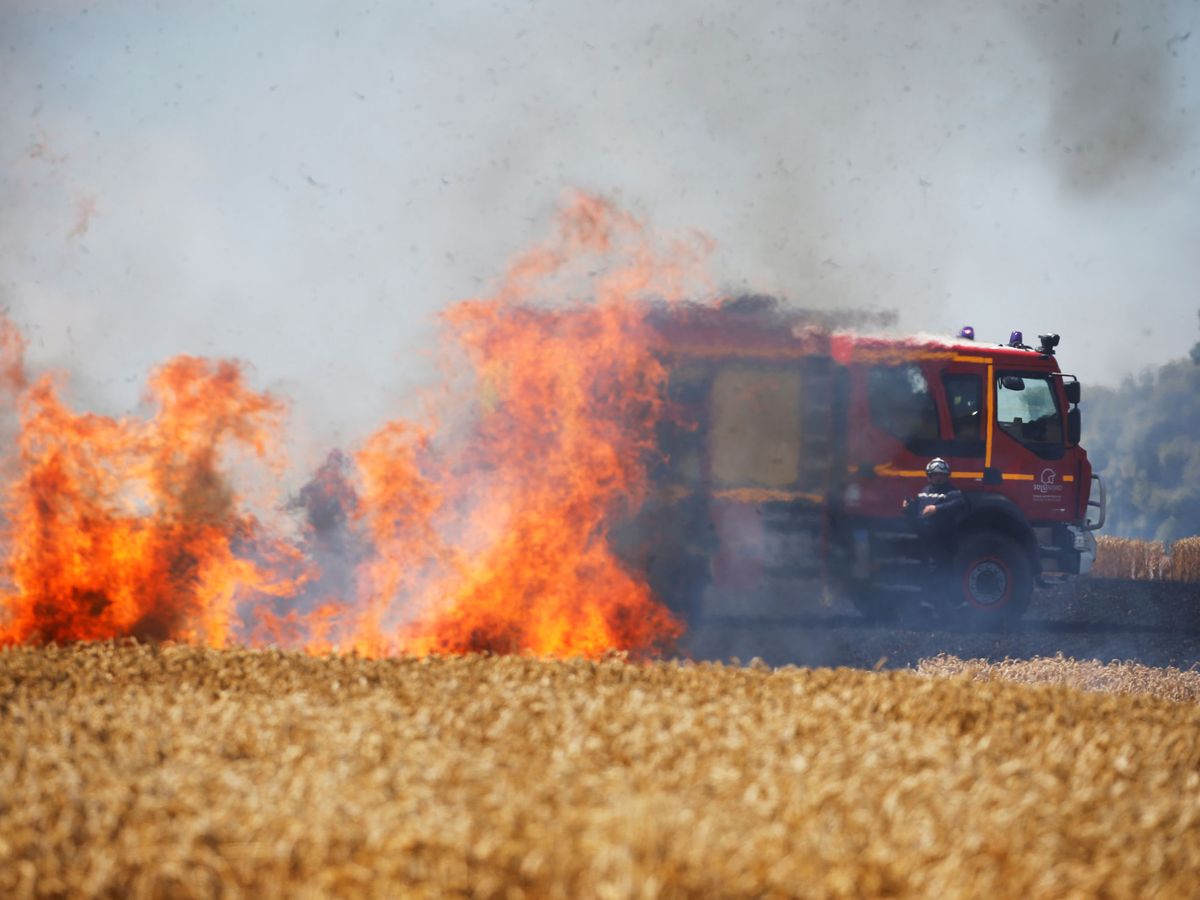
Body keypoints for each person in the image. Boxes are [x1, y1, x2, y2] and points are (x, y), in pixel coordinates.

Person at [903, 458, 968, 574]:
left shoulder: (952, 491)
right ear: (929, 476)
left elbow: (960, 503)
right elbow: (918, 510)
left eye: (941, 475)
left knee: (942, 571)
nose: (938, 478)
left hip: (943, 540)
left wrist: (937, 509)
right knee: (926, 571)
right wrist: (909, 506)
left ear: (947, 476)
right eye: (935, 475)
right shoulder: (925, 490)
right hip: (925, 539)